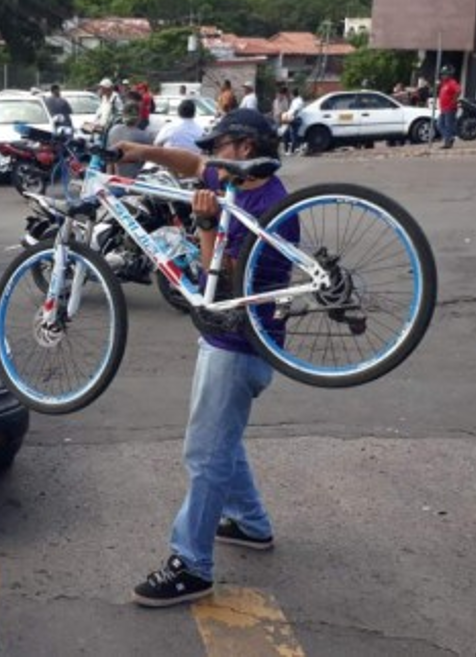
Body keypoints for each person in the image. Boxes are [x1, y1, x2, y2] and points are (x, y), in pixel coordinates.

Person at [112, 109, 297, 608]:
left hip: (240, 346)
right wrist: (143, 151)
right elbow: (193, 164)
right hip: (225, 341)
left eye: (220, 145)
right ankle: (251, 523)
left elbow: (225, 286)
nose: (212, 154)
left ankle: (192, 565)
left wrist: (206, 223)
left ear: (245, 148)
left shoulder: (270, 209)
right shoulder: (235, 177)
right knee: (222, 440)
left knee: (204, 453)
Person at [105, 101, 153, 178]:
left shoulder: (113, 130)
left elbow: (108, 160)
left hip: (114, 178)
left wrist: (109, 178)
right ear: (139, 117)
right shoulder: (144, 135)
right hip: (135, 180)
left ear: (123, 115)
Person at [436, 65, 461, 149]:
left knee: (448, 125)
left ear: (449, 75)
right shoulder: (444, 84)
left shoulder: (452, 82)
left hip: (450, 108)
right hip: (443, 109)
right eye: (442, 74)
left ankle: (448, 143)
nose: (443, 76)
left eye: (445, 74)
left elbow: (458, 90)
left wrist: (453, 100)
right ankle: (450, 138)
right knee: (439, 124)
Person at [281, 88, 306, 155]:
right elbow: (291, 110)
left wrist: (290, 117)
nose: (290, 95)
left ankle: (292, 151)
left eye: (291, 94)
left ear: (293, 94)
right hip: (291, 118)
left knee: (293, 136)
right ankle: (287, 150)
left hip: (295, 119)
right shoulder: (294, 100)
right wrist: (286, 116)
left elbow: (296, 110)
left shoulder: (299, 100)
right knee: (286, 134)